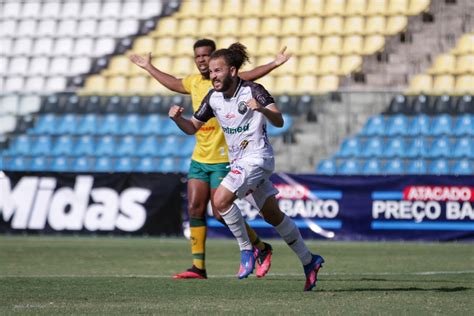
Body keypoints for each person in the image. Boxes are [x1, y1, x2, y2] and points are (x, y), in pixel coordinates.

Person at [168, 43, 325, 291]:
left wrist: (261, 108)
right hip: (240, 162)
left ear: (232, 71)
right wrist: (178, 119)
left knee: (220, 201)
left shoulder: (254, 90)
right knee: (273, 216)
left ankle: (247, 250)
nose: (213, 75)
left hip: (258, 158)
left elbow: (279, 119)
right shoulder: (213, 98)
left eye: (217, 70)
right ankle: (309, 260)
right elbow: (192, 128)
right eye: (210, 71)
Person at [129, 39, 291, 279]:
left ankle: (259, 247)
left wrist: (274, 64)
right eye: (198, 56)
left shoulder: (227, 82)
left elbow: (250, 75)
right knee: (194, 206)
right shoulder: (195, 83)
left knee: (219, 210)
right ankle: (198, 267)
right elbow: (173, 83)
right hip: (200, 156)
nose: (202, 60)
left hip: (225, 156)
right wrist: (148, 67)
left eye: (206, 55)